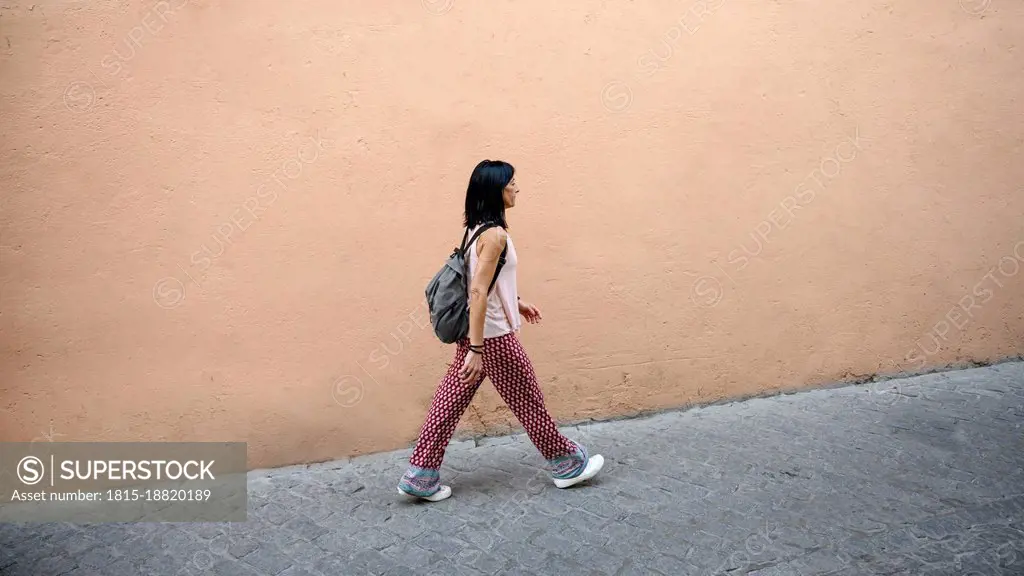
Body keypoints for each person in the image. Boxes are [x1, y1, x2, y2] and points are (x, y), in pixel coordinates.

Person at [397, 159, 604, 502]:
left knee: (447, 403)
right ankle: (566, 464)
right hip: (492, 338)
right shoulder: (494, 235)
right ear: (496, 190)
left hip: (479, 333)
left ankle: (421, 474)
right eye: (511, 184)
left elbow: (484, 282)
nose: (517, 188)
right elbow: (477, 291)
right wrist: (477, 349)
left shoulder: (474, 229)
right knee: (529, 401)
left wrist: (516, 301)